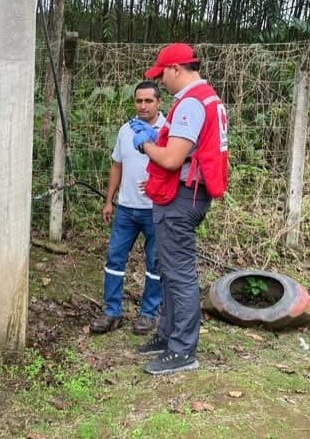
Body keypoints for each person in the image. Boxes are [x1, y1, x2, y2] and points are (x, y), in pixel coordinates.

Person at [132, 43, 228, 375]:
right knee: (169, 270)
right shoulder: (209, 99)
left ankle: (182, 350)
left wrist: (145, 144)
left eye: (162, 74)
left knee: (180, 274)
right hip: (190, 194)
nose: (161, 81)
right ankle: (168, 335)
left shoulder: (190, 103)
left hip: (182, 196)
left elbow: (172, 159)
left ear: (176, 69)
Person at [90, 81, 165, 336]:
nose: (143, 106)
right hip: (126, 208)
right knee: (115, 258)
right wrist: (109, 200)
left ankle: (148, 314)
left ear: (159, 102)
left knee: (155, 262)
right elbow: (117, 165)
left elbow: (176, 165)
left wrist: (157, 183)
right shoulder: (126, 130)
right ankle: (112, 312)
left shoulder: (168, 130)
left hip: (156, 209)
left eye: (148, 101)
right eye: (139, 101)